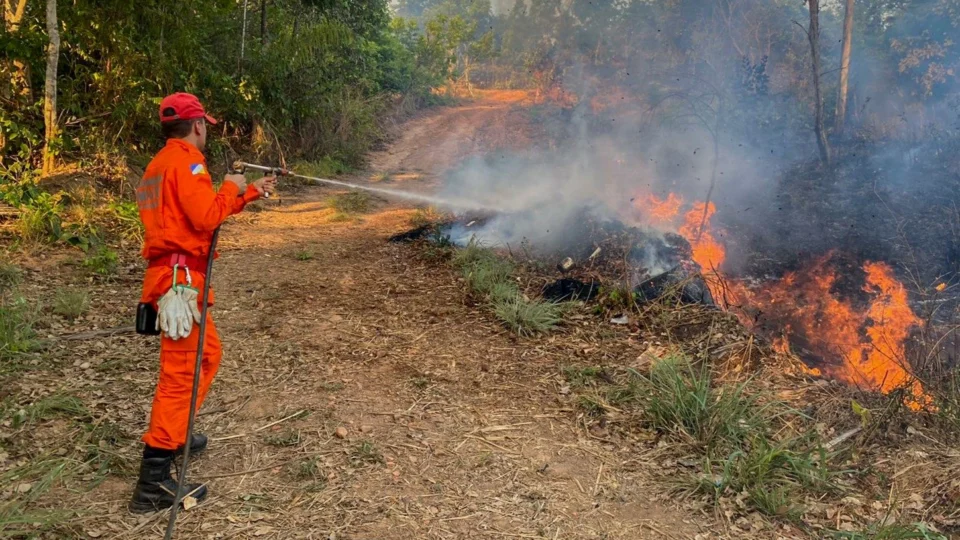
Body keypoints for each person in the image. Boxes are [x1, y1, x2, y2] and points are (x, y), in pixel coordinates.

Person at [129, 92, 277, 513]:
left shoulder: (158, 166)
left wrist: (246, 194)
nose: (207, 131)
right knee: (181, 374)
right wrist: (232, 186)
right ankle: (153, 479)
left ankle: (177, 432)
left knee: (207, 356)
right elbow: (206, 217)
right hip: (180, 282)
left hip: (171, 277)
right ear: (197, 125)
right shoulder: (189, 163)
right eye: (206, 125)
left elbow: (190, 215)